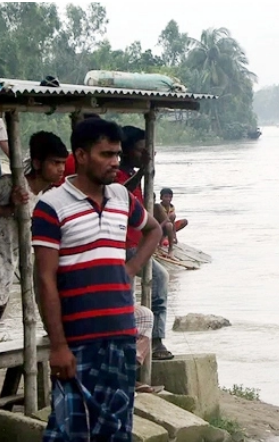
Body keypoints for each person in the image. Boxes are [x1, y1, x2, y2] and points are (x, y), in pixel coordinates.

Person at [33, 118, 162, 441]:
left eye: (117, 154)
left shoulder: (120, 197)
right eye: (106, 154)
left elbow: (154, 230)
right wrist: (59, 346)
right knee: (68, 429)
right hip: (77, 340)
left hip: (119, 334)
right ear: (82, 154)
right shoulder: (52, 206)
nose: (115, 162)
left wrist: (130, 268)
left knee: (117, 430)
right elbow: (45, 280)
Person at [0, 132, 68, 348]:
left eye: (63, 163)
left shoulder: (47, 198)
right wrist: (8, 208)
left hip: (6, 276)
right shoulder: (11, 185)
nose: (61, 169)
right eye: (55, 163)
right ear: (37, 163)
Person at [118, 126, 174, 361]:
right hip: (124, 246)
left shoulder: (135, 175)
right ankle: (148, 342)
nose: (144, 155)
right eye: (140, 150)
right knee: (153, 282)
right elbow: (120, 192)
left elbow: (144, 207)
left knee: (147, 287)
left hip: (136, 245)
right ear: (127, 150)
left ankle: (150, 340)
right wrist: (142, 171)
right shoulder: (121, 176)